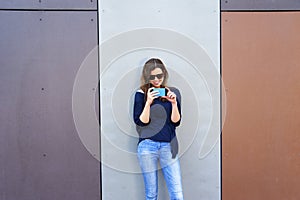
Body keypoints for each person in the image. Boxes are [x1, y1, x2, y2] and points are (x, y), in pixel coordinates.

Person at [133, 58, 184, 200]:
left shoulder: (172, 93)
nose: (156, 80)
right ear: (147, 76)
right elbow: (141, 122)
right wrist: (148, 102)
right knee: (151, 194)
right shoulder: (141, 94)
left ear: (164, 74)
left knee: (177, 194)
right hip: (147, 146)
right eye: (152, 76)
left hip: (168, 145)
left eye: (159, 76)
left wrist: (174, 103)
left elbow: (176, 122)